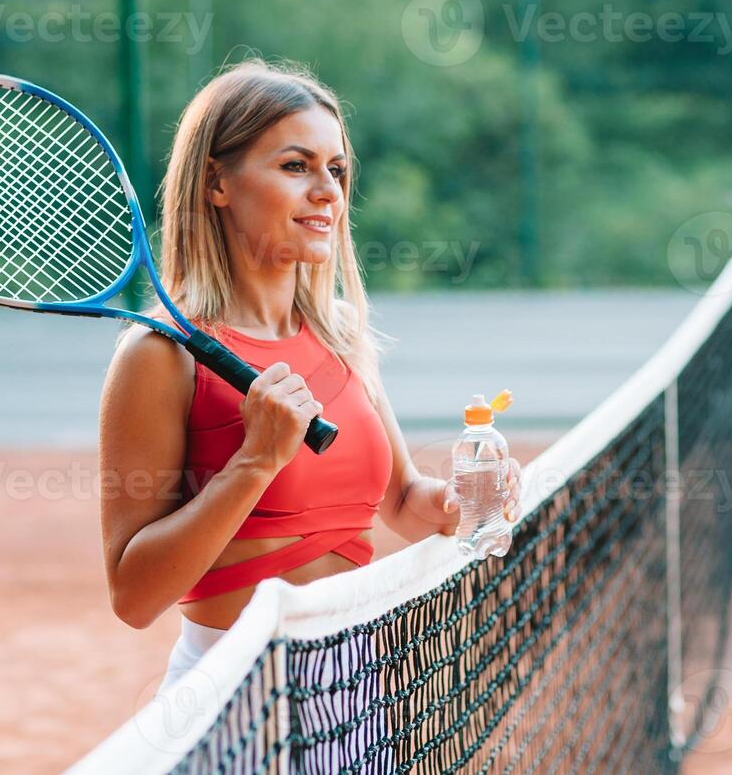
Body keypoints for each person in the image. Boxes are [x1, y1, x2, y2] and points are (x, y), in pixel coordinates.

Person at [97, 58, 521, 692]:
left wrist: (462, 503)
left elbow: (402, 501)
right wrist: (255, 461)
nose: (328, 190)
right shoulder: (159, 354)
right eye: (297, 166)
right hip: (233, 692)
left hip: (358, 692)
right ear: (217, 183)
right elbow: (134, 598)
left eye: (337, 169)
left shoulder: (340, 333)